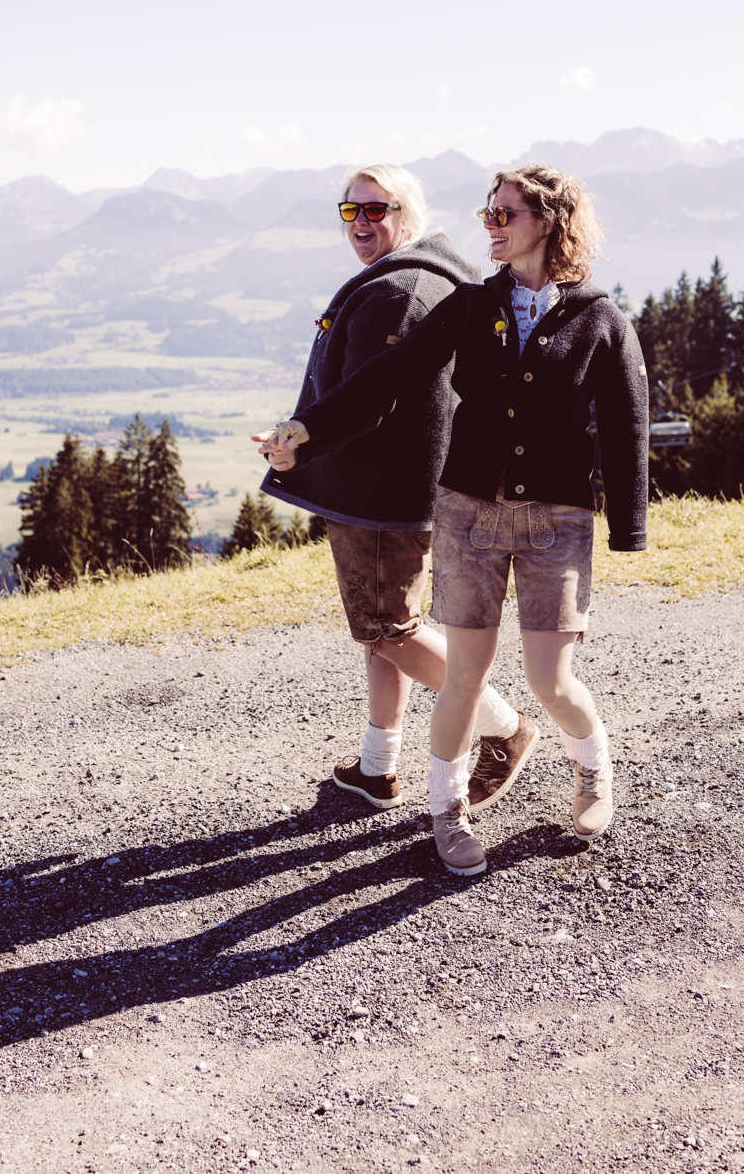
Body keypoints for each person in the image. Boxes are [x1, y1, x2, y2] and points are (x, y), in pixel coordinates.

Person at [259, 164, 648, 876]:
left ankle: (594, 770)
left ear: (549, 223)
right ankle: (449, 812)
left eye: (505, 214)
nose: (490, 226)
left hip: (556, 520)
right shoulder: (471, 305)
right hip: (469, 515)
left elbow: (627, 427)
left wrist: (629, 527)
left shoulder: (600, 320)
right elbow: (388, 375)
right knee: (464, 676)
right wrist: (306, 430)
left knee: (551, 680)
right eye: (487, 213)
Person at [253, 164, 540, 816]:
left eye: (376, 209)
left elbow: (368, 400)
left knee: (389, 629)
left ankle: (503, 727)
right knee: (384, 627)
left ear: (406, 214)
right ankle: (377, 767)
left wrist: (300, 440)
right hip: (393, 490)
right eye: (350, 211)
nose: (361, 222)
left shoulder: (400, 291)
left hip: (379, 494)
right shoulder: (422, 277)